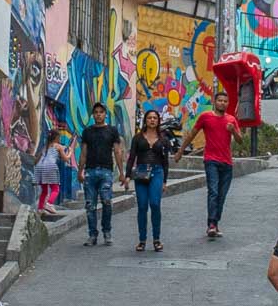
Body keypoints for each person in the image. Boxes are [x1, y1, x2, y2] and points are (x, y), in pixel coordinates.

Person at [174, 90, 243, 239]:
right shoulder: (206, 117)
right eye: (220, 101)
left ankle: (215, 223)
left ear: (227, 104)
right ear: (215, 102)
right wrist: (180, 151)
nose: (222, 103)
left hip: (227, 163)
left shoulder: (231, 120)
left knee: (222, 196)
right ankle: (211, 224)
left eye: (225, 101)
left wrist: (233, 132)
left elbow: (240, 140)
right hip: (211, 160)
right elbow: (192, 133)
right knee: (213, 191)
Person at [79, 103, 125, 247]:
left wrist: (122, 173)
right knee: (90, 205)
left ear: (105, 114)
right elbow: (84, 152)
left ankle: (107, 231)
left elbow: (117, 152)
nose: (98, 114)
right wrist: (80, 170)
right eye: (96, 112)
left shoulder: (112, 131)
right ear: (93, 115)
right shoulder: (87, 131)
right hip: (90, 171)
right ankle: (92, 234)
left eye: (101, 112)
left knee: (106, 201)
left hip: (106, 171)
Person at [125, 109, 171, 252]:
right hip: (141, 172)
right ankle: (142, 240)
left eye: (155, 118)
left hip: (157, 172)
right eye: (149, 118)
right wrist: (127, 176)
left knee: (155, 204)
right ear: (145, 120)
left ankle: (156, 239)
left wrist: (164, 181)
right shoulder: (138, 138)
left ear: (158, 121)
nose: (152, 120)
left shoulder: (164, 139)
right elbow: (132, 157)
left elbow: (165, 162)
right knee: (142, 206)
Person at [34, 129, 72, 217]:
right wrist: (70, 152)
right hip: (50, 166)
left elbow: (36, 161)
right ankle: (49, 204)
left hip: (40, 167)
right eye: (59, 137)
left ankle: (40, 209)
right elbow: (65, 159)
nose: (60, 139)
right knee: (55, 189)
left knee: (44, 190)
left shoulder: (45, 147)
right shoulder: (58, 146)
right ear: (56, 137)